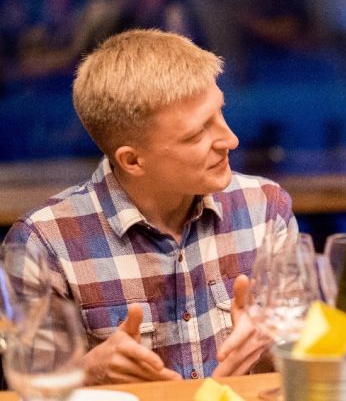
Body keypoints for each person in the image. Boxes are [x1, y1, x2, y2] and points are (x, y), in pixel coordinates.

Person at [2, 29, 296, 384]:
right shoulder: (43, 243)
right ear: (132, 161)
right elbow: (25, 386)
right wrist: (87, 371)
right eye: (196, 133)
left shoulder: (265, 207)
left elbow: (313, 353)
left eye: (220, 112)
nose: (230, 139)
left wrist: (275, 344)